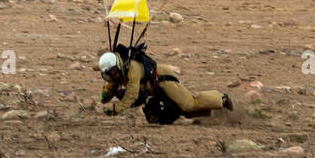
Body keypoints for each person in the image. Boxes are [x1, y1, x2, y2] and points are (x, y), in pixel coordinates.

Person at [99, 47, 231, 124]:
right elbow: (111, 87)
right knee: (184, 113)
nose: (113, 75)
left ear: (118, 66)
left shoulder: (132, 69)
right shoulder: (118, 72)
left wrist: (116, 109)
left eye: (114, 72)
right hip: (153, 89)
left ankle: (221, 98)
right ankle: (211, 115)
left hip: (164, 80)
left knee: (189, 105)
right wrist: (105, 97)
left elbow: (132, 95)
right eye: (110, 73)